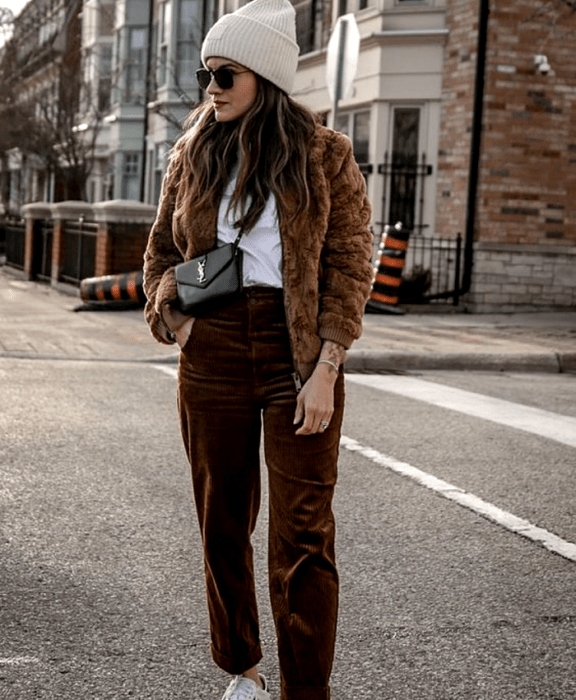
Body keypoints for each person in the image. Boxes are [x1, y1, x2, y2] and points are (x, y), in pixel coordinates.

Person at [142, 1, 373, 698]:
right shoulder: (194, 150)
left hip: (295, 349)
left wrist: (327, 367)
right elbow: (157, 256)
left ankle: (306, 691)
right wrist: (176, 321)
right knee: (222, 523)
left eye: (224, 73)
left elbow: (350, 262)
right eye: (205, 72)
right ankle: (243, 671)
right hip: (210, 349)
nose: (209, 86)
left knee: (304, 536)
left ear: (265, 77)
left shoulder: (323, 154)